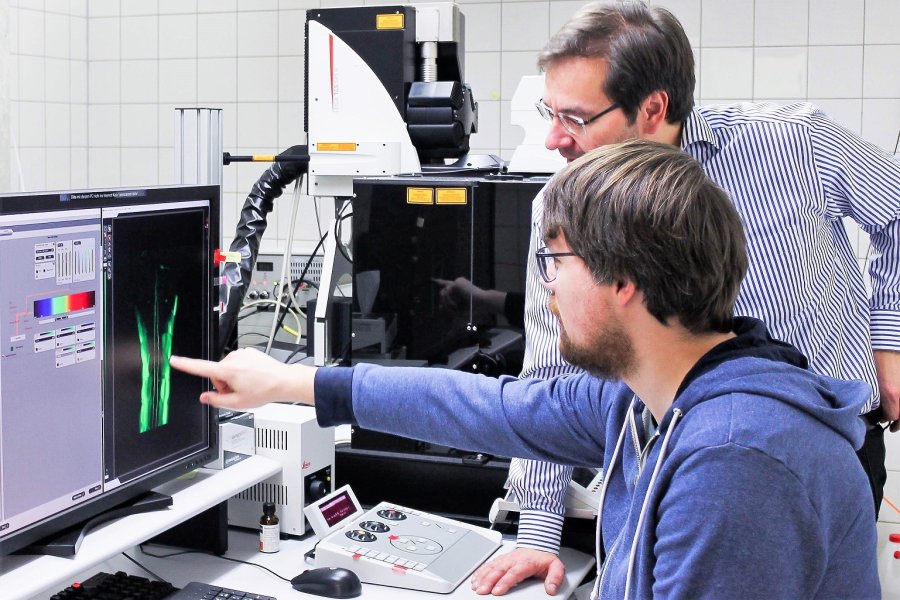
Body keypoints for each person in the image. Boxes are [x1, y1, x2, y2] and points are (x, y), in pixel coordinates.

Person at [171, 140, 880, 599]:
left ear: (623, 281)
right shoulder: (658, 396)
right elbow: (491, 407)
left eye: (556, 262)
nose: (544, 288)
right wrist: (289, 384)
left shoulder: (734, 460)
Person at [481, 1, 900, 595]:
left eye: (574, 118)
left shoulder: (794, 144)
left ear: (653, 108)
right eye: (551, 112)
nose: (553, 139)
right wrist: (539, 534)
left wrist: (891, 343)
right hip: (673, 462)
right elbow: (554, 373)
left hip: (813, 451)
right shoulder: (561, 203)